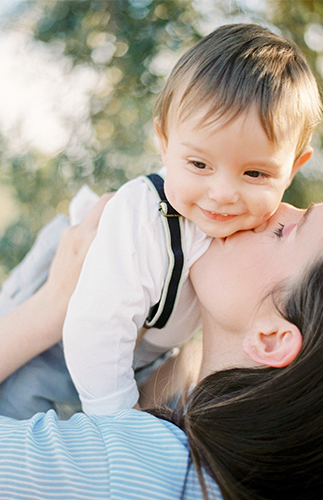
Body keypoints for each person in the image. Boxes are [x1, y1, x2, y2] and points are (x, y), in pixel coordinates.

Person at [0, 22, 320, 419]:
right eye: (199, 164)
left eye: (255, 174)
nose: (222, 193)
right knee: (19, 406)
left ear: (292, 170)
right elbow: (96, 328)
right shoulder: (146, 220)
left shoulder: (242, 241)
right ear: (165, 144)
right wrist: (119, 421)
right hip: (58, 334)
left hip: (122, 354)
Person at [0, 201, 323, 500]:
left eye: (286, 231)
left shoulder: (124, 468)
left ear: (271, 339)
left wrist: (49, 309)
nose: (272, 206)